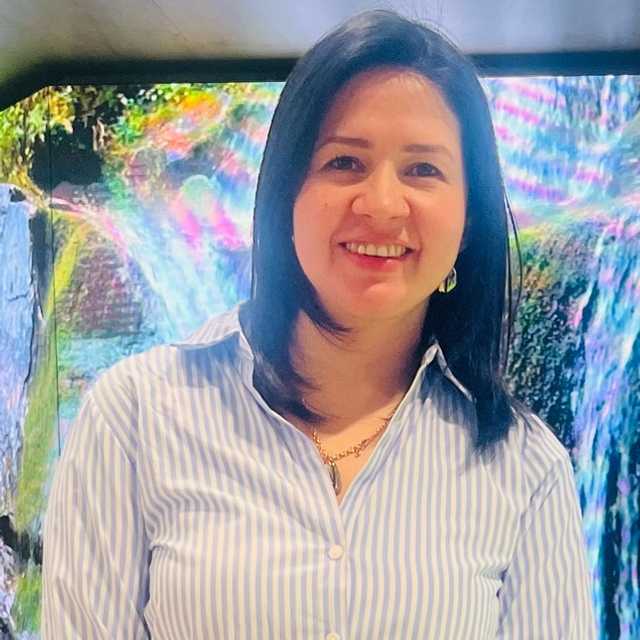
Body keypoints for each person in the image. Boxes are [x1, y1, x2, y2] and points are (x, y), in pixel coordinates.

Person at [41, 9, 597, 639]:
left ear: (469, 221)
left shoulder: (525, 465)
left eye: (423, 169)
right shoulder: (136, 416)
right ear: (287, 192)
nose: (382, 204)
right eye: (345, 162)